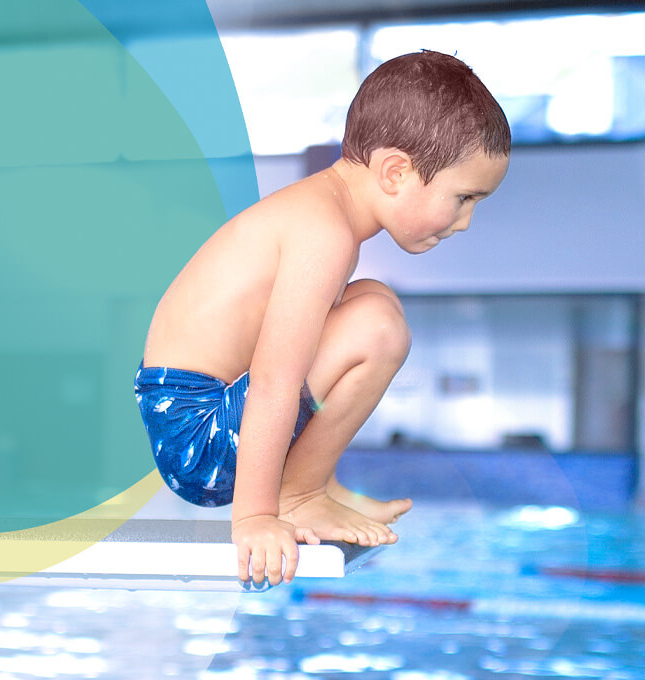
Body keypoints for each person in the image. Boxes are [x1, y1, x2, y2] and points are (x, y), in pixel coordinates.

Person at [134, 50, 511, 587]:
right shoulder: (323, 233)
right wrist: (256, 518)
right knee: (377, 325)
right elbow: (275, 380)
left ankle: (314, 487)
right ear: (396, 172)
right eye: (464, 198)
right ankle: (299, 495)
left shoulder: (324, 217)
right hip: (199, 437)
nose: (466, 221)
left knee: (375, 300)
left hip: (207, 417)